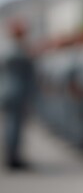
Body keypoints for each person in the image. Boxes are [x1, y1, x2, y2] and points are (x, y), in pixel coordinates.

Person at [0, 20, 34, 169]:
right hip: (17, 92)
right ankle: (13, 158)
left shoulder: (5, 48)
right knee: (14, 126)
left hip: (6, 90)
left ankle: (11, 156)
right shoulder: (19, 50)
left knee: (11, 125)